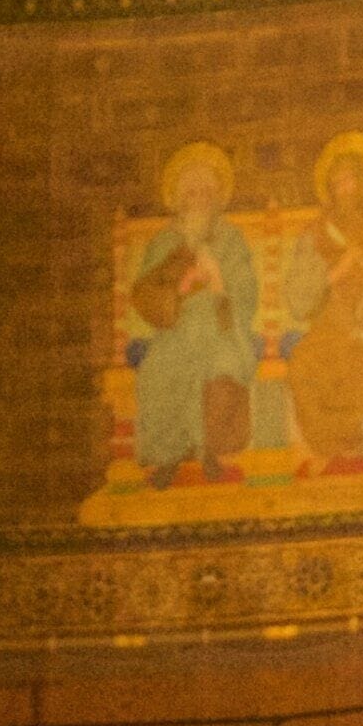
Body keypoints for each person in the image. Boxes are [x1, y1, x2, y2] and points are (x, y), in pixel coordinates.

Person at [126, 143, 258, 488]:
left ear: (216, 199)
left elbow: (246, 294)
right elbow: (145, 294)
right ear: (179, 200)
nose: (199, 199)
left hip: (221, 327)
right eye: (191, 192)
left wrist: (217, 282)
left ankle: (209, 452)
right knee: (158, 371)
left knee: (221, 366)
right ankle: (168, 456)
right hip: (176, 330)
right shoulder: (164, 242)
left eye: (205, 192)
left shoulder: (230, 239)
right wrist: (180, 290)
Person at [280, 134, 363, 473]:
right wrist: (335, 273)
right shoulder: (315, 234)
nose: (344, 189)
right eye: (337, 183)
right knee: (303, 365)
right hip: (329, 328)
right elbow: (296, 300)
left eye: (350, 180)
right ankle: (326, 449)